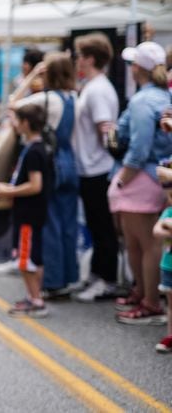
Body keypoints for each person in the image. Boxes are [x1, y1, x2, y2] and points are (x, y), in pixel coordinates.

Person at [109, 41, 172, 324]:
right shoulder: (160, 97)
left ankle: (149, 302)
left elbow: (139, 147)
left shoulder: (143, 101)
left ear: (138, 69)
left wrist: (122, 180)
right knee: (140, 242)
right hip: (153, 174)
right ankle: (144, 294)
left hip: (143, 176)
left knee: (143, 242)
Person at [11, 53, 79, 298]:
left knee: (50, 223)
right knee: (69, 224)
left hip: (52, 162)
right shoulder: (74, 98)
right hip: (71, 161)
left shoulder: (46, 98)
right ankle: (70, 276)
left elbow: (13, 103)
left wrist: (31, 77)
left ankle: (53, 280)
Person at [71, 33, 120, 302]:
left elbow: (107, 130)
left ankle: (107, 280)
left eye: (80, 55)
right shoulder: (93, 86)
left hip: (97, 169)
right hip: (90, 168)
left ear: (90, 58)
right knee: (95, 223)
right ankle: (98, 275)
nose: (77, 60)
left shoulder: (99, 89)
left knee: (101, 227)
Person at [0, 104, 53, 318]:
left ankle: (36, 300)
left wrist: (10, 192)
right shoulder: (34, 147)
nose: (14, 125)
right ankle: (33, 296)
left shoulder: (35, 151)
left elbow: (35, 185)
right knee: (32, 257)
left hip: (28, 213)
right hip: (29, 212)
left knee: (25, 259)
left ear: (26, 123)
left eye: (17, 120)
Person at [152, 163, 172, 352]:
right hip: (168, 265)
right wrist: (165, 223)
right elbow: (156, 231)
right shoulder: (168, 213)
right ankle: (170, 334)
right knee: (170, 303)